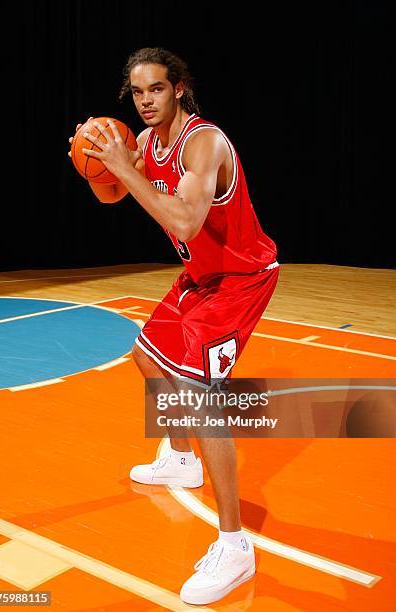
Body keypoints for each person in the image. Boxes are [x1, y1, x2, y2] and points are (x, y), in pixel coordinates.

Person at [69, 47, 279, 605]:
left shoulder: (203, 142)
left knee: (197, 393)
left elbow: (184, 217)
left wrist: (118, 165)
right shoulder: (145, 142)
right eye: (137, 93)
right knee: (146, 356)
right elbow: (112, 194)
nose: (145, 101)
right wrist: (92, 156)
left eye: (155, 89)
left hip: (240, 280)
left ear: (178, 88)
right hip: (201, 276)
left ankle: (234, 546)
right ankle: (182, 460)